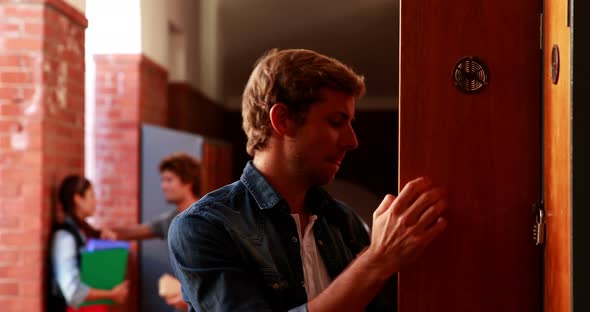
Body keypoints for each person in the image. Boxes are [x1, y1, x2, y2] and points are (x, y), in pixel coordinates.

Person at [168, 49, 448, 311]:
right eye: (336, 121)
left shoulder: (344, 221)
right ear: (283, 119)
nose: (352, 141)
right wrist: (377, 260)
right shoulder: (203, 226)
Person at [101, 153, 201, 311]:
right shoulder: (171, 219)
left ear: (188, 182)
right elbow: (136, 231)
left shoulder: (205, 217)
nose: (163, 186)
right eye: (163, 180)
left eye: (169, 180)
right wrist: (107, 233)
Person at [47, 175, 129, 312]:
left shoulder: (85, 233)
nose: (95, 201)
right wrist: (111, 294)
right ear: (78, 199)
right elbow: (72, 292)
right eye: (91, 196)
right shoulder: (64, 237)